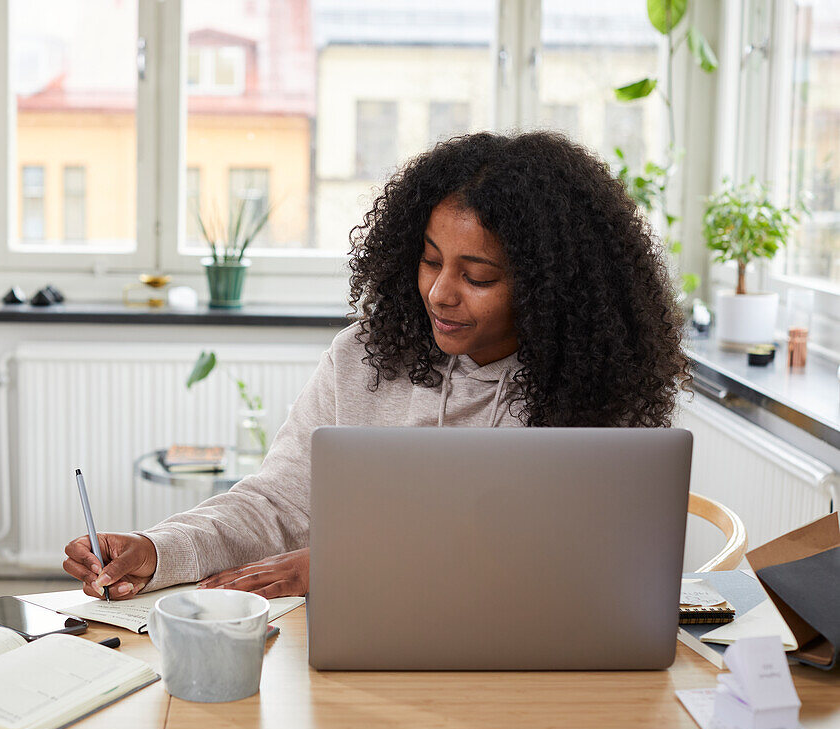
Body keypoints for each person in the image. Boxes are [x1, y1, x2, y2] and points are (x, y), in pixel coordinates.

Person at [63, 130, 689, 600]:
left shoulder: (603, 389)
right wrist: (160, 549)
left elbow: (579, 569)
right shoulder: (365, 357)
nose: (441, 292)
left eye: (478, 276)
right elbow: (279, 503)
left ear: (554, 289)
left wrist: (349, 567)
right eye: (429, 260)